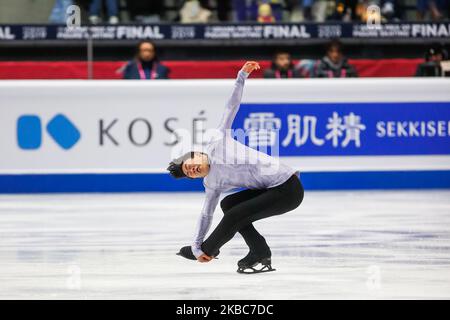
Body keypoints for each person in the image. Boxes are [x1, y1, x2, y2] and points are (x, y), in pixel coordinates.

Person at [168, 61, 304, 274]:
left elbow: (231, 106)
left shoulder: (218, 140)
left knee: (235, 214)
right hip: (271, 190)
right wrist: (195, 244)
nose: (191, 170)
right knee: (229, 204)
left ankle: (210, 250)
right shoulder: (211, 183)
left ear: (197, 154)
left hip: (288, 188)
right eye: (188, 174)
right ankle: (259, 250)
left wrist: (241, 76)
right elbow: (206, 214)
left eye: (189, 165)